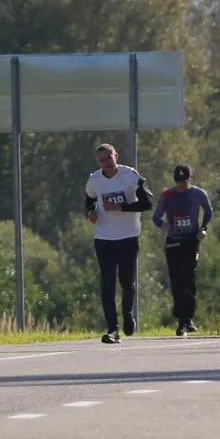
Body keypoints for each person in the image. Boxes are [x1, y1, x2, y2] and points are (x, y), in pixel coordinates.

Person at [85, 142, 152, 344]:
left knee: (126, 281)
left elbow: (147, 203)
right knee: (107, 284)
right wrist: (91, 213)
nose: (105, 163)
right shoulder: (94, 180)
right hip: (104, 238)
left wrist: (122, 207)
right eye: (101, 160)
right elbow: (88, 200)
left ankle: (128, 314)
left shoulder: (131, 176)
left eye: (109, 157)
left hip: (128, 237)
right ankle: (112, 329)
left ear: (117, 156)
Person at [153, 163, 212, 336]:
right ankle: (181, 319)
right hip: (173, 242)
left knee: (189, 279)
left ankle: (188, 318)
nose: (180, 185)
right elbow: (156, 216)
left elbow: (208, 212)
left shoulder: (198, 194)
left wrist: (203, 228)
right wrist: (162, 224)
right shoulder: (167, 195)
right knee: (176, 280)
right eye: (177, 181)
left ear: (189, 179)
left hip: (190, 242)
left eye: (183, 181)